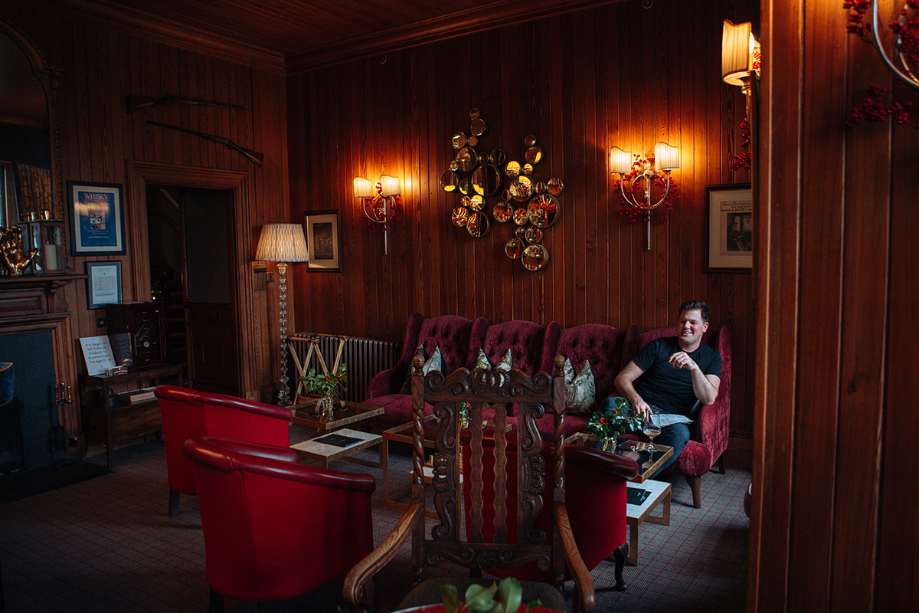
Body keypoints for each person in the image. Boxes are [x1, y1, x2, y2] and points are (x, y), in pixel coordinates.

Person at [609, 299, 722, 475]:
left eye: (693, 322)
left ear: (705, 327)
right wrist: (636, 399)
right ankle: (604, 471)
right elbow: (622, 378)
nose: (686, 326)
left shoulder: (712, 356)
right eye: (682, 321)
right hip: (639, 411)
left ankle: (636, 478)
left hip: (672, 420)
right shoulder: (659, 345)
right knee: (611, 406)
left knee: (679, 434)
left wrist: (694, 368)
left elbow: (709, 398)